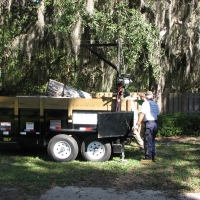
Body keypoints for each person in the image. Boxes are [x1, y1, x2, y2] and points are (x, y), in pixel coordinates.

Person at [133, 91, 160, 162]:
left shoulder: (145, 103)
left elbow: (142, 114)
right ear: (152, 96)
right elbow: (158, 115)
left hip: (149, 124)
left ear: (146, 96)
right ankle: (154, 155)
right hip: (155, 123)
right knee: (153, 140)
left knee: (147, 141)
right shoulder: (155, 104)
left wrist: (137, 124)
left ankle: (148, 158)